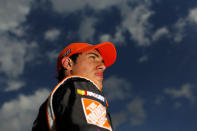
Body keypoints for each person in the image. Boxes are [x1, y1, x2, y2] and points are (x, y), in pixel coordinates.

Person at [32, 42, 117, 131]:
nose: (103, 66)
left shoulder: (52, 102)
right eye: (92, 57)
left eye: (102, 62)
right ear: (68, 64)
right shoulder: (80, 85)